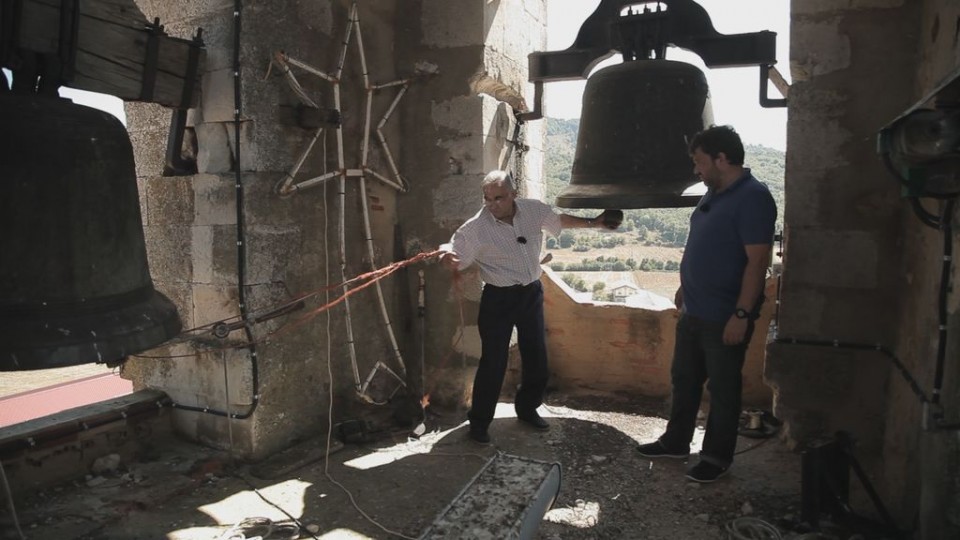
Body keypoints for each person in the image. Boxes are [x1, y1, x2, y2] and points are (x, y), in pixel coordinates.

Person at [636, 125, 777, 483]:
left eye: (700, 162)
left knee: (724, 389)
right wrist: (685, 287)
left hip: (724, 316)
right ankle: (676, 441)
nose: (696, 170)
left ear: (722, 158)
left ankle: (716, 457)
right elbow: (702, 240)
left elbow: (757, 263)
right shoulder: (714, 192)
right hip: (694, 310)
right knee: (684, 379)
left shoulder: (754, 197)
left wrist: (741, 315)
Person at [440, 170, 622, 444]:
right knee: (494, 362)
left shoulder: (533, 210)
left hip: (531, 295)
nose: (492, 205)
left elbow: (557, 220)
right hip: (498, 300)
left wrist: (593, 222)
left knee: (536, 355)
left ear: (514, 194)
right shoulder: (476, 227)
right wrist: (445, 255)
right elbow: (454, 247)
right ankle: (479, 423)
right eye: (487, 199)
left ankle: (527, 409)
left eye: (499, 198)